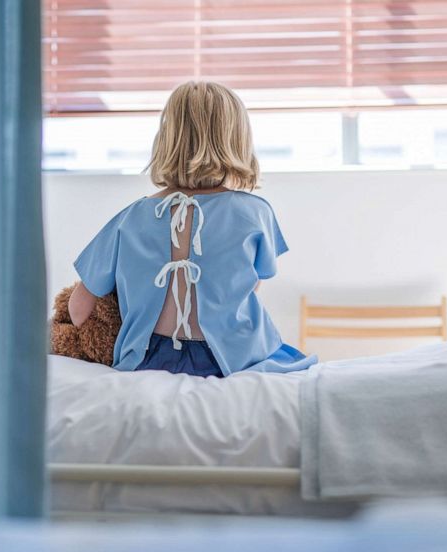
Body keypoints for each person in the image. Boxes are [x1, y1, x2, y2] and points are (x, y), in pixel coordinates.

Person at [68, 81, 316, 378]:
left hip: (148, 360)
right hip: (232, 358)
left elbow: (79, 309)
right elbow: (249, 285)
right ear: (237, 140)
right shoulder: (255, 212)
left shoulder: (130, 218)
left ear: (166, 139)